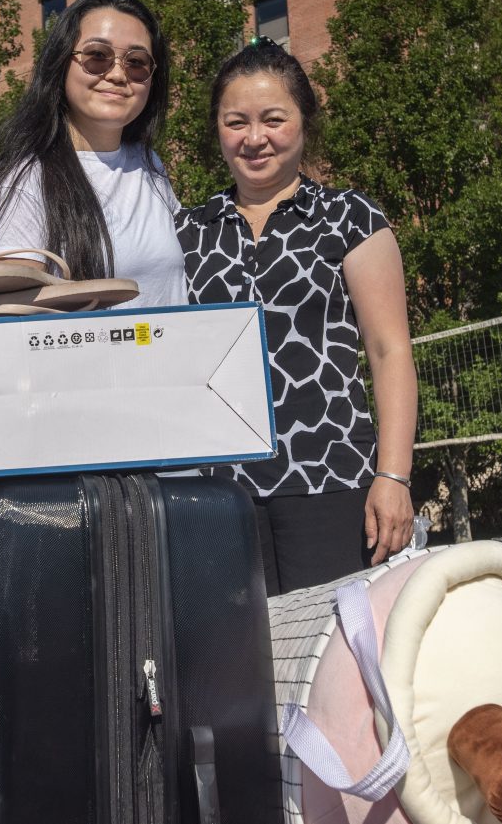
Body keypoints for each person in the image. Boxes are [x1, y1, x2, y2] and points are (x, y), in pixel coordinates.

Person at [176, 38, 418, 596]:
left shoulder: (350, 219)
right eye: (236, 122)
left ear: (304, 121)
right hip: (217, 493)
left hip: (332, 480)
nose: (254, 137)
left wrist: (394, 476)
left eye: (273, 119)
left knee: (334, 643)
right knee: (233, 646)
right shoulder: (186, 231)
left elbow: (390, 351)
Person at [0, 0, 186, 307]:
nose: (117, 74)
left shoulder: (149, 164)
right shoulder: (27, 180)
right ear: (61, 64)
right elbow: (15, 317)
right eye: (97, 55)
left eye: (137, 63)